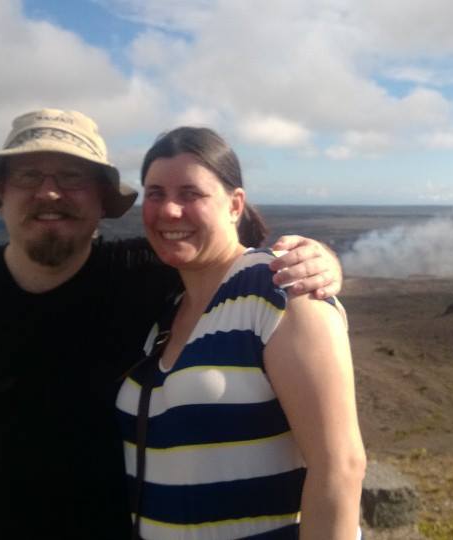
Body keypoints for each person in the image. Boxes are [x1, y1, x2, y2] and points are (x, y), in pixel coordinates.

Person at [0, 109, 345, 540]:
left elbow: (225, 255)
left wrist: (320, 264)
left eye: (72, 177)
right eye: (29, 175)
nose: (49, 192)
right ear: (0, 191)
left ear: (100, 198)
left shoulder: (150, 274)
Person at [116, 127, 366, 539]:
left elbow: (340, 467)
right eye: (156, 193)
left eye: (190, 194)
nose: (170, 210)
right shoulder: (166, 312)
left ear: (235, 205)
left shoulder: (281, 289)